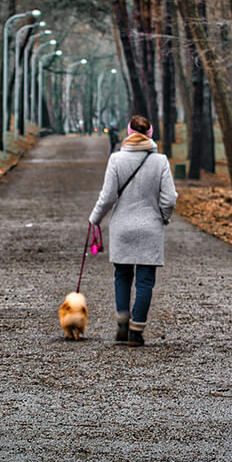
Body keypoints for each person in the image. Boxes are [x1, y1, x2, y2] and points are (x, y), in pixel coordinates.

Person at [89, 115, 178, 347]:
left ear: (129, 133)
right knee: (145, 281)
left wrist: (95, 219)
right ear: (150, 134)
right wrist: (163, 218)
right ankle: (136, 331)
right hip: (150, 226)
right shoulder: (160, 161)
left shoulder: (116, 159)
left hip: (122, 227)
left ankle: (122, 321)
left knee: (122, 275)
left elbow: (107, 196)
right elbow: (169, 199)